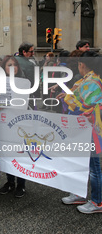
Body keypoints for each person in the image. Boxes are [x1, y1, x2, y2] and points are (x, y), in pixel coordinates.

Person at [57, 51, 102, 214]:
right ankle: (80, 194)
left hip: (91, 129)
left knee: (93, 166)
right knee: (83, 163)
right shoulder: (89, 80)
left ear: (82, 64)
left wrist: (71, 99)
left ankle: (97, 202)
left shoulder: (92, 82)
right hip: (83, 128)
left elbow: (85, 105)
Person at [0, 56, 27, 198]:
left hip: (19, 123)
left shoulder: (25, 83)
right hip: (3, 123)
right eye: (9, 65)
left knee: (19, 152)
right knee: (7, 152)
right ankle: (10, 182)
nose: (12, 68)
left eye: (14, 65)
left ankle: (21, 184)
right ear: (3, 67)